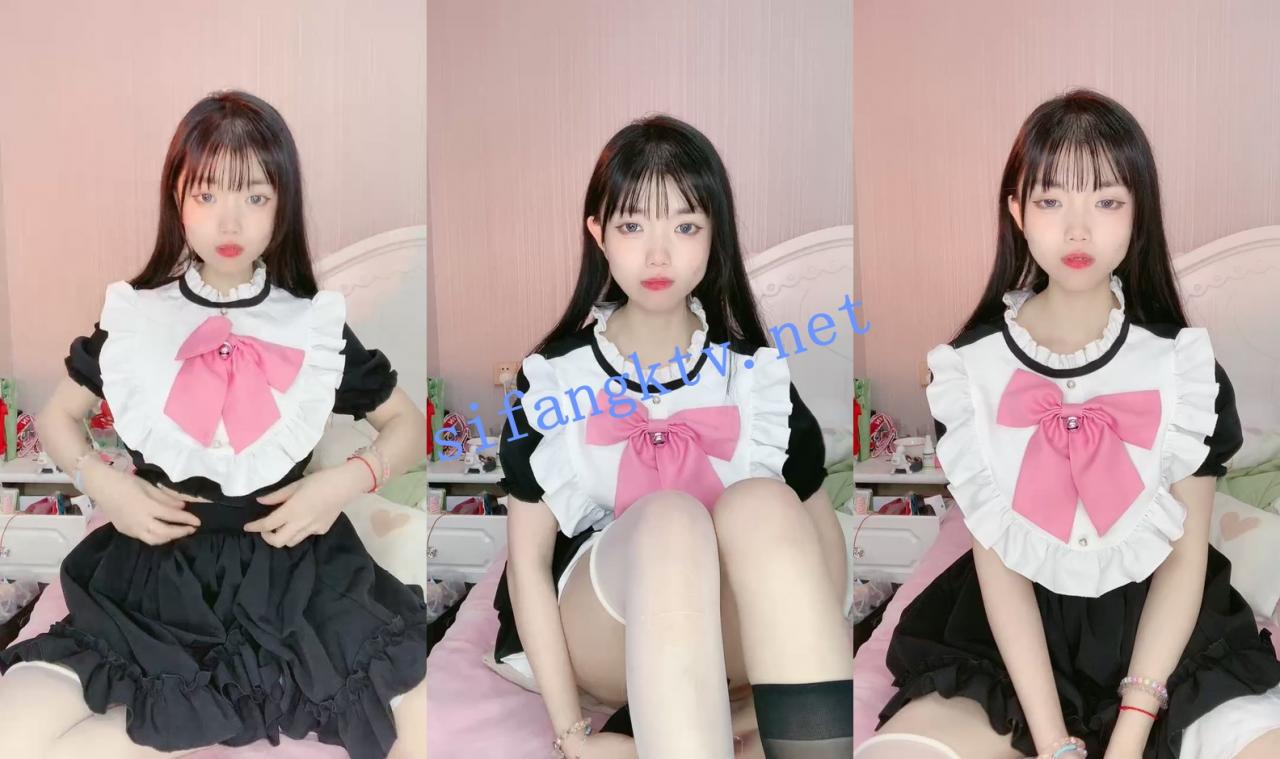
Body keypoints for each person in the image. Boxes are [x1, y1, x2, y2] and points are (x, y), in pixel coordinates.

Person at [0, 90, 428, 759]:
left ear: (282, 204)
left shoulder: (312, 325)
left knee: (418, 725)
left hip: (295, 575)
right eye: (207, 194)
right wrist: (106, 485)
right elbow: (57, 416)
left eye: (255, 196)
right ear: (177, 196)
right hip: (153, 572)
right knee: (14, 729)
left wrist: (341, 483)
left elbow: (408, 425)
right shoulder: (137, 317)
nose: (230, 220)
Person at [864, 89, 1280, 759]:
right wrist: (1055, 741)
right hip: (1010, 642)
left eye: (1107, 202)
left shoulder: (1185, 372)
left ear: (1138, 214)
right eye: (1052, 201)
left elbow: (1184, 561)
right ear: (1017, 212)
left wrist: (1129, 733)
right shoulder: (970, 375)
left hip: (1164, 640)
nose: (1078, 230)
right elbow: (1000, 569)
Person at [491, 114, 853, 758]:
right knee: (670, 517)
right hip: (606, 632)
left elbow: (819, 543)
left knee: (765, 503)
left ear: (715, 235)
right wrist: (573, 736)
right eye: (633, 227)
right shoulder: (553, 379)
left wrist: (790, 668)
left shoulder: (755, 378)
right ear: (599, 234)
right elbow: (526, 567)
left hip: (737, 638)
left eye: (685, 227)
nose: (658, 256)